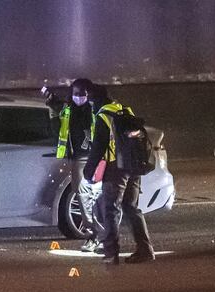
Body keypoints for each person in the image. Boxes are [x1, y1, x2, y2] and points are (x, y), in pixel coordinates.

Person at [83, 84, 155, 264]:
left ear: (95, 100)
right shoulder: (123, 109)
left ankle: (111, 253)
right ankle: (145, 249)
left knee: (110, 210)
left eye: (91, 101)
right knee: (131, 208)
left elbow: (99, 146)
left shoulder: (103, 115)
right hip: (132, 166)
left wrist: (89, 170)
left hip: (115, 168)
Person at [44, 78, 102, 252]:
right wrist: (52, 106)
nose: (79, 97)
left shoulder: (95, 110)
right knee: (83, 197)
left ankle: (102, 234)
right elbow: (57, 127)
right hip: (78, 159)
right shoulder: (68, 111)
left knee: (98, 197)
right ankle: (95, 234)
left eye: (83, 94)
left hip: (97, 157)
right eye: (76, 94)